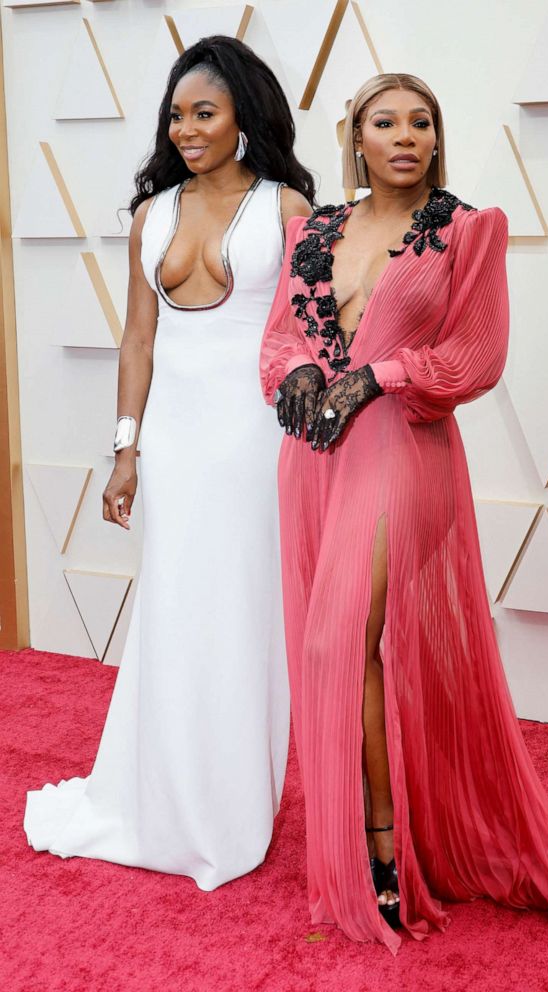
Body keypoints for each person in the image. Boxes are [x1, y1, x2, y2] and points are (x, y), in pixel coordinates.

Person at [259, 72, 548, 957]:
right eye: (384, 121)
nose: (405, 136)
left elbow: (475, 355)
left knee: (337, 641)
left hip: (402, 450)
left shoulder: (469, 231)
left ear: (438, 137)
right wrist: (302, 373)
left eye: (422, 122)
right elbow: (279, 337)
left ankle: (386, 854)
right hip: (313, 458)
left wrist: (379, 375)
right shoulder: (307, 232)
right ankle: (357, 846)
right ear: (354, 137)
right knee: (337, 653)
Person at [24, 36, 314, 891]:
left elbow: (304, 335)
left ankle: (230, 812)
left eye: (205, 113)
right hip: (179, 442)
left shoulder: (288, 209)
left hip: (256, 436)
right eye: (177, 114)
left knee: (240, 615)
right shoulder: (153, 215)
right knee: (176, 608)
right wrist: (126, 450)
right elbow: (139, 336)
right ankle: (158, 797)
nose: (187, 128)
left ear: (244, 119)